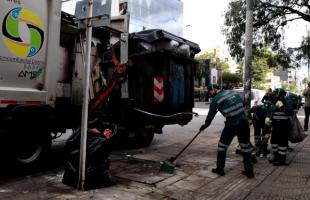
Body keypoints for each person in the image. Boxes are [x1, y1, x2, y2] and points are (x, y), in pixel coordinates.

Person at [200, 84, 254, 178]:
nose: (209, 94)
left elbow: (210, 116)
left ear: (214, 90)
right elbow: (243, 103)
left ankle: (220, 169)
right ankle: (249, 171)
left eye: (209, 91)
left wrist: (205, 126)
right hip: (244, 123)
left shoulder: (216, 99)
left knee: (222, 146)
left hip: (232, 124)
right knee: (245, 147)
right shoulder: (232, 92)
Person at [268, 88, 293, 166]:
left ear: (280, 94)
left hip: (284, 125)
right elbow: (271, 111)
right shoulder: (274, 101)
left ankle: (282, 159)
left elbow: (290, 113)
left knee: (282, 142)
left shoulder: (287, 101)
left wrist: (282, 107)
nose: (273, 95)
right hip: (275, 125)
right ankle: (276, 156)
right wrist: (268, 118)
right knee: (273, 141)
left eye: (275, 94)